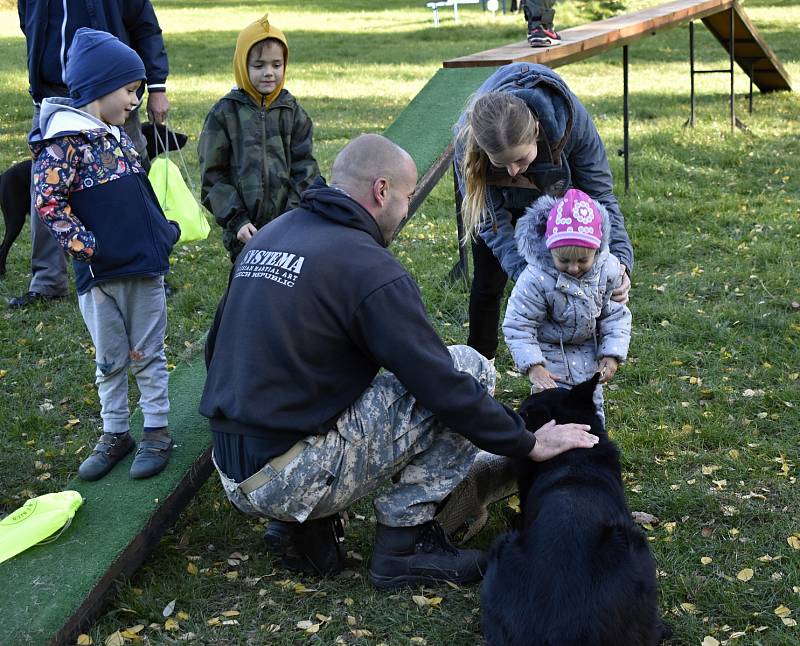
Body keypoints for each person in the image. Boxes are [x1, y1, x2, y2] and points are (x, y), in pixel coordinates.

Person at [200, 134, 598, 589]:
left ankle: (300, 525)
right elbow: (441, 385)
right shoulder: (368, 267)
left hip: (232, 466)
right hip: (288, 476)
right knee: (469, 367)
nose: (407, 209)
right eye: (408, 197)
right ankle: (404, 546)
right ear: (382, 190)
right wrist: (527, 443)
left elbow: (215, 351)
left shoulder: (272, 234)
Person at [30, 28, 180, 481]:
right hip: (100, 277)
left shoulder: (113, 136)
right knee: (109, 359)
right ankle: (116, 432)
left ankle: (156, 430)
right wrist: (87, 247)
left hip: (143, 270)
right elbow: (47, 202)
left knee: (148, 353)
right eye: (129, 90)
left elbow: (140, 197)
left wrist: (163, 233)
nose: (135, 101)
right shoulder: (63, 144)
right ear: (99, 87)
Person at [454, 62, 634, 362]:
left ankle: (576, 357)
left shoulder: (573, 123)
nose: (512, 171)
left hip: (558, 200)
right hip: (498, 207)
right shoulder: (469, 139)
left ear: (536, 131)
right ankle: (479, 364)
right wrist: (529, 278)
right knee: (488, 280)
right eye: (502, 164)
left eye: (520, 159)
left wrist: (622, 261)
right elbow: (490, 222)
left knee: (578, 273)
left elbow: (600, 196)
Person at [10, 0, 171, 309]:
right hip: (51, 97)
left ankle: (148, 270)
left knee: (129, 184)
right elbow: (29, 23)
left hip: (110, 95)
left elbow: (145, 25)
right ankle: (48, 281)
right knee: (49, 187)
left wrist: (157, 86)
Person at [198, 14, 319, 263]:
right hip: (245, 233)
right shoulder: (225, 113)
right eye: (259, 65)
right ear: (242, 65)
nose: (269, 73)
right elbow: (213, 177)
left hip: (289, 229)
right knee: (248, 292)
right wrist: (237, 221)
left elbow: (306, 169)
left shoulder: (292, 112)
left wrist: (293, 217)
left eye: (276, 65)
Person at [502, 188, 631, 420]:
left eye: (583, 260)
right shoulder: (536, 279)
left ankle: (592, 448)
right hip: (549, 354)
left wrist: (612, 354)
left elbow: (615, 315)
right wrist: (534, 366)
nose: (573, 268)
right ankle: (551, 451)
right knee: (552, 412)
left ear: (596, 248)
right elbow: (519, 324)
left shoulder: (608, 270)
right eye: (563, 260)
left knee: (590, 408)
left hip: (589, 354)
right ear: (549, 249)